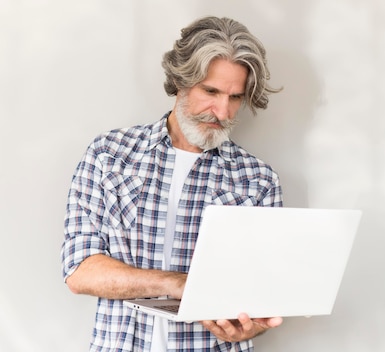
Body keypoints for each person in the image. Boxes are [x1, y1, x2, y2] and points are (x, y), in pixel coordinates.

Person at [61, 16, 283, 351]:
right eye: (210, 91)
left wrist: (249, 329)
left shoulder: (258, 181)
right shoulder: (109, 155)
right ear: (181, 81)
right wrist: (178, 284)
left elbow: (262, 293)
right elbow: (80, 271)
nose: (222, 111)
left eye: (234, 97)